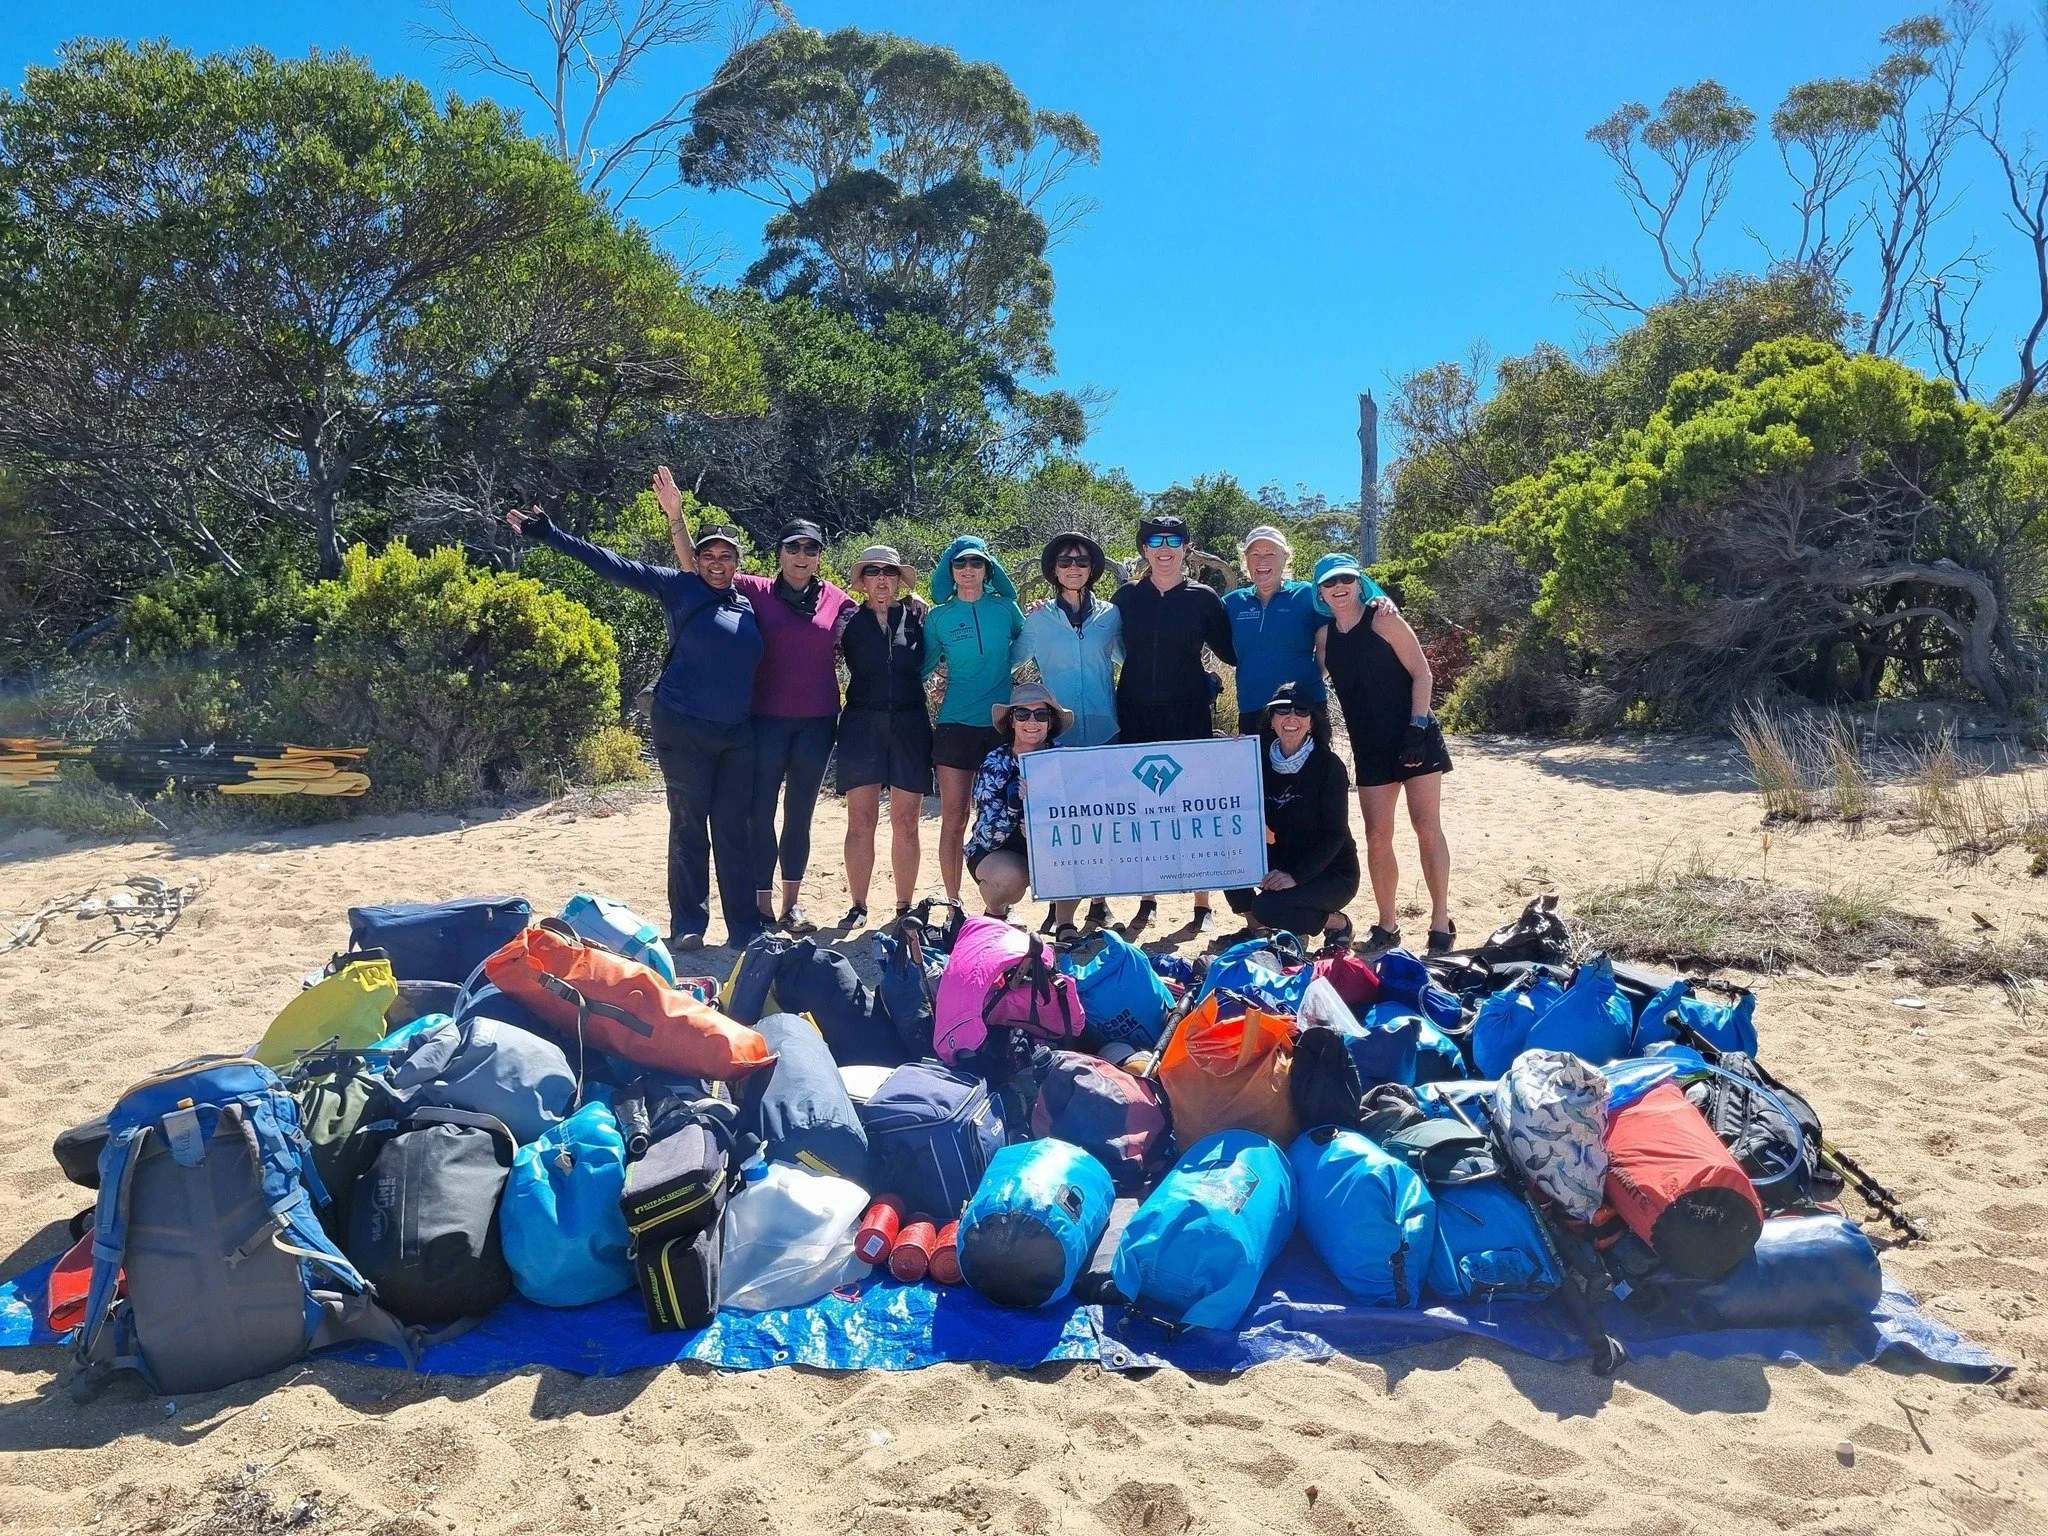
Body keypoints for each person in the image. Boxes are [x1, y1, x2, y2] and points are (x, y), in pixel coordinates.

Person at [508, 483, 764, 951]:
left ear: (737, 562)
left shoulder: (747, 602)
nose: (717, 563)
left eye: (726, 556)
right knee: (689, 825)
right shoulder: (678, 586)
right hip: (682, 727)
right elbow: (611, 564)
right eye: (709, 554)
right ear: (698, 558)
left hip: (737, 734)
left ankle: (745, 927)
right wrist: (551, 535)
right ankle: (689, 924)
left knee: (733, 828)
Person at [662, 486, 854, 937]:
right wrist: (676, 516)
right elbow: (700, 565)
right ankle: (761, 906)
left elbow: (872, 610)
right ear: (779, 553)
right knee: (757, 813)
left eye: (811, 548)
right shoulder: (754, 589)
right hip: (763, 720)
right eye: (793, 547)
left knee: (800, 812)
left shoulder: (837, 599)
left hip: (818, 721)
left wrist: (916, 602)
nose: (801, 555)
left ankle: (792, 905)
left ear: (820, 556)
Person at [1314, 551, 1456, 954]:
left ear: (1359, 582)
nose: (1339, 588)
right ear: (1319, 591)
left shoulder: (1384, 619)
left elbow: (1422, 673)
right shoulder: (1324, 638)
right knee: (1377, 836)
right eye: (1329, 582)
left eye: (1346, 579)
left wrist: (1417, 725)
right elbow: (1310, 678)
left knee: (1426, 825)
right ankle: (1388, 924)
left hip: (1415, 735)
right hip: (1370, 745)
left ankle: (1440, 919)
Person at [1110, 511, 1236, 934]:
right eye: (1155, 542)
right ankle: (1147, 897)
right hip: (1135, 710)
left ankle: (1202, 901)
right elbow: (1091, 635)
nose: (1164, 550)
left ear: (1186, 548)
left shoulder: (1203, 598)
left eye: (1173, 541)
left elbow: (1234, 650)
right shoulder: (1125, 597)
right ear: (1144, 549)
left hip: (1189, 712)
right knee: (1146, 803)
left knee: (1191, 803)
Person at [1011, 531, 1122, 930]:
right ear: (1053, 570)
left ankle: (1099, 901)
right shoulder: (1038, 618)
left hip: (1104, 729)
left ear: (1092, 569)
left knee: (1102, 815)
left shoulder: (1111, 615)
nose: (1073, 567)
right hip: (1054, 735)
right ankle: (1057, 904)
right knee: (1056, 820)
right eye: (1064, 561)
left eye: (1081, 561)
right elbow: (1009, 659)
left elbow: (1135, 656)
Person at [924, 535, 1024, 907]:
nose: (968, 570)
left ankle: (997, 901)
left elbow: (1028, 642)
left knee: (1003, 811)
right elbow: (923, 666)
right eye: (960, 564)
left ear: (988, 568)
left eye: (976, 563)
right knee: (954, 815)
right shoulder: (939, 617)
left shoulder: (1005, 608)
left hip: (1001, 726)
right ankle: (953, 902)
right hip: (955, 725)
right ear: (950, 571)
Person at [835, 544, 931, 928]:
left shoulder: (918, 616)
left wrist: (920, 601)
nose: (881, 579)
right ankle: (858, 905)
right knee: (861, 819)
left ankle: (904, 907)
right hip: (861, 723)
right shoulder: (844, 620)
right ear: (861, 581)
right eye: (873, 572)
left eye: (889, 572)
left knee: (907, 820)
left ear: (898, 580)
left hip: (910, 723)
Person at [1223, 681, 1359, 946]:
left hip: (1331, 872)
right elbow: (1224, 784)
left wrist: (1294, 877)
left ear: (1311, 722)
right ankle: (1260, 929)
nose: (1292, 717)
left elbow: (1335, 835)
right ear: (1271, 720)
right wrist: (1231, 752)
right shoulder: (1257, 761)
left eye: (1301, 711)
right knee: (1227, 863)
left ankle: (1337, 923)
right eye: (1282, 710)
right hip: (1284, 858)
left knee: (1269, 907)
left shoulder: (1328, 766)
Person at [965, 681, 1080, 935]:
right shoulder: (995, 762)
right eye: (1022, 714)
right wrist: (1014, 807)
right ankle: (995, 913)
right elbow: (986, 837)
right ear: (1012, 722)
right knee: (1008, 877)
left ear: (1050, 722)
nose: (1032, 721)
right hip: (1002, 850)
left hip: (1053, 847)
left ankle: (1065, 924)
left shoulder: (1066, 760)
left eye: (1041, 714)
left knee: (1080, 856)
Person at [1223, 525, 1332, 743]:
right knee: (1261, 776)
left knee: (1314, 774)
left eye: (1271, 554)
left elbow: (1327, 650)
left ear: (1285, 558)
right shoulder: (1232, 603)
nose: (1262, 561)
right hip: (1253, 708)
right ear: (1246, 561)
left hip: (1303, 709)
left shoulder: (1307, 595)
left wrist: (1304, 685)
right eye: (1254, 554)